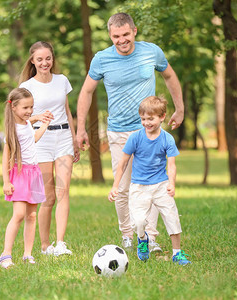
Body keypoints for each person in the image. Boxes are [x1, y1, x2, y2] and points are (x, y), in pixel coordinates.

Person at [76, 12, 184, 253]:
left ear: (134, 31)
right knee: (123, 187)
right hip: (119, 132)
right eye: (116, 36)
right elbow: (86, 92)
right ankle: (128, 233)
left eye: (126, 34)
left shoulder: (151, 52)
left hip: (150, 131)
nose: (121, 40)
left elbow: (169, 76)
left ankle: (150, 237)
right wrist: (80, 128)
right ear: (110, 36)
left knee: (153, 184)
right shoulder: (101, 59)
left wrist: (180, 108)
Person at [108, 96, 190, 264]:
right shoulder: (135, 138)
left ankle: (177, 253)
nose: (146, 123)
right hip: (139, 186)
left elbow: (172, 165)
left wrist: (172, 184)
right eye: (143, 119)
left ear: (162, 117)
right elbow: (123, 162)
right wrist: (115, 186)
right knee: (138, 222)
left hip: (161, 185)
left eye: (150, 119)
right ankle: (142, 240)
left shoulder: (167, 139)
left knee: (172, 217)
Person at [19, 41, 80, 256]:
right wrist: (36, 117)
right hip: (41, 140)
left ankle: (60, 243)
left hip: (63, 137)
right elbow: (20, 115)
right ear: (33, 61)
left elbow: (67, 110)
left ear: (52, 59)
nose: (44, 63)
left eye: (48, 58)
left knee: (63, 191)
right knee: (48, 196)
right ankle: (45, 246)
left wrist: (74, 138)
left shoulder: (62, 80)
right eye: (39, 59)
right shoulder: (27, 86)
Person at [0, 88, 50, 269]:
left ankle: (27, 254)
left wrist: (43, 124)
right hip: (19, 174)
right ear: (13, 108)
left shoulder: (26, 124)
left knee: (32, 215)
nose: (29, 111)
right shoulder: (12, 130)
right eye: (25, 108)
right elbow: (6, 157)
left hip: (33, 173)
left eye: (31, 107)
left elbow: (33, 139)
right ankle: (5, 254)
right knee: (19, 214)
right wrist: (6, 181)